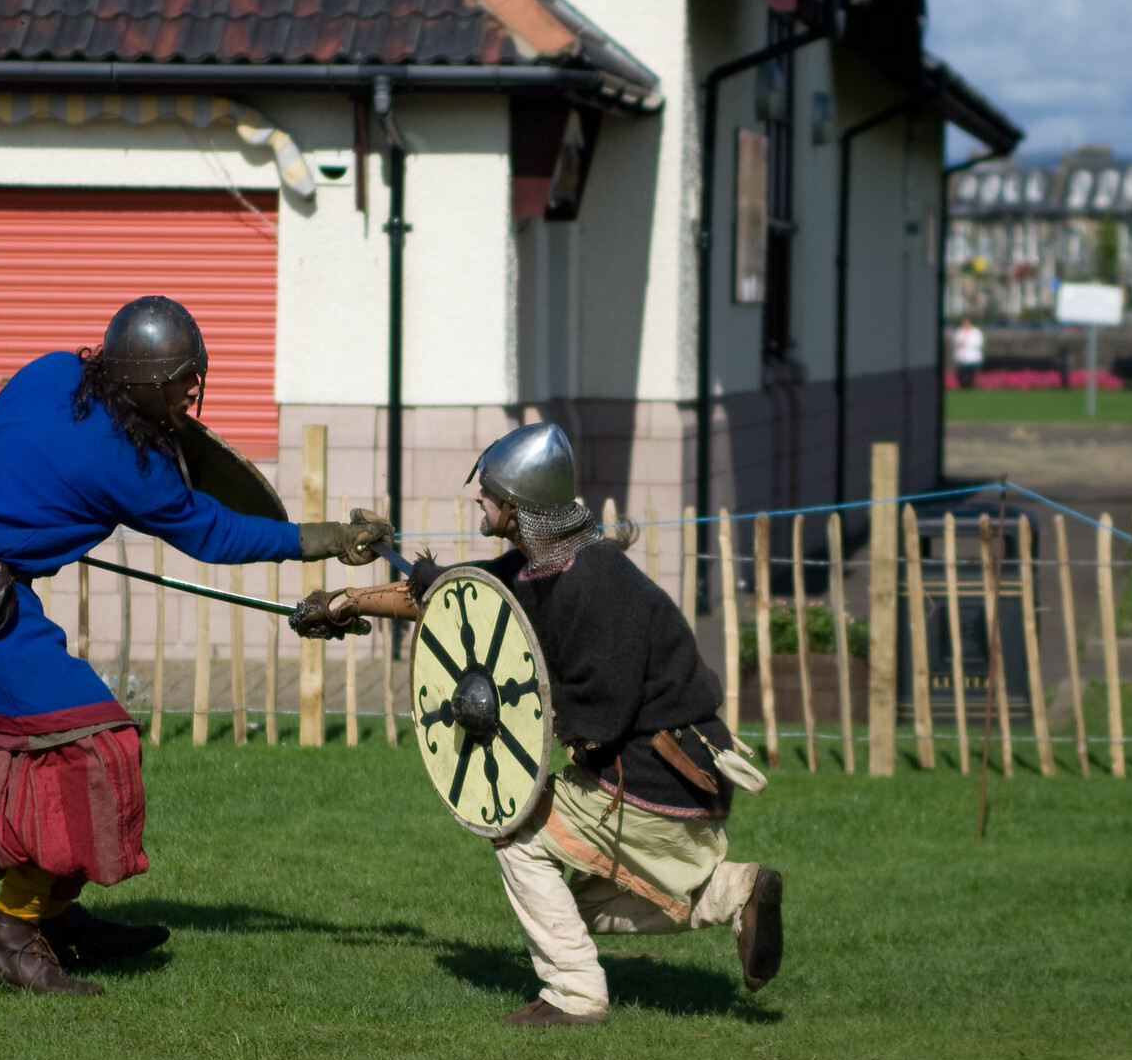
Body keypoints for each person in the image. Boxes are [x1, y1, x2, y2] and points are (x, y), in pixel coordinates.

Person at [0, 296, 388, 997]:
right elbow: (217, 532)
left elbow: (15, 447)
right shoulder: (130, 466)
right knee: (93, 745)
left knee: (76, 745)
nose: (193, 391)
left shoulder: (50, 369)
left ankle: (54, 917)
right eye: (181, 380)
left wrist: (37, 511)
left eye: (197, 374)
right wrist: (328, 539)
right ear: (143, 383)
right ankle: (10, 933)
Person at [291, 423, 783, 1027]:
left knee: (516, 833)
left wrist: (513, 710)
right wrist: (345, 602)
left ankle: (574, 996)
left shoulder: (595, 583)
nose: (479, 499)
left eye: (489, 492)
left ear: (519, 508)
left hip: (661, 776)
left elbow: (598, 717)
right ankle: (735, 893)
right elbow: (455, 595)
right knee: (567, 907)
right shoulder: (547, 567)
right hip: (671, 779)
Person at [952, 317, 985, 388]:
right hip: (961, 356)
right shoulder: (959, 332)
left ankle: (970, 385)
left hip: (972, 357)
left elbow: (979, 343)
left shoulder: (975, 332)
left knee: (971, 372)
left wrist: (966, 343)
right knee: (962, 372)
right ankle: (963, 385)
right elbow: (956, 342)